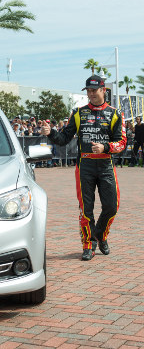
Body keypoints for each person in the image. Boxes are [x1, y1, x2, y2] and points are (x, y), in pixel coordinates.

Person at [41, 75, 126, 261]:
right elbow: (63, 139)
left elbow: (122, 143)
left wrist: (106, 148)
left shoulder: (115, 114)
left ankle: (100, 235)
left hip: (105, 165)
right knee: (86, 208)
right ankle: (88, 245)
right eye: (88, 90)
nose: (91, 94)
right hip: (85, 166)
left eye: (94, 90)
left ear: (103, 90)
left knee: (112, 207)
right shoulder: (78, 113)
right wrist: (51, 133)